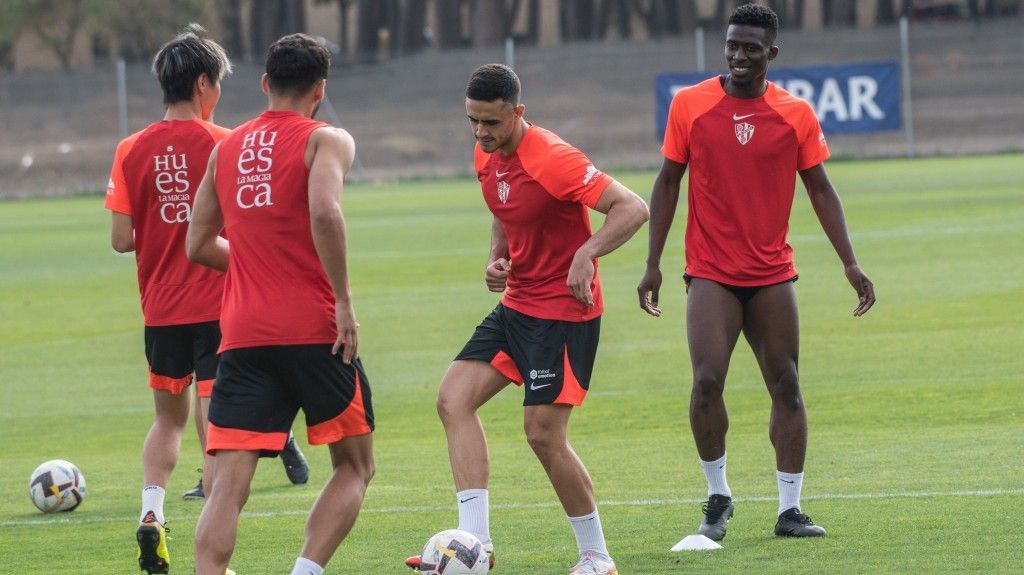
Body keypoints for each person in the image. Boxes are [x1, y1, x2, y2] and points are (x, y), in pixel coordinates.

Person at [637, 4, 876, 542]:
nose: (738, 55)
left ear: (772, 52)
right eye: (731, 45)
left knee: (787, 385)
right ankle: (718, 495)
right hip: (710, 273)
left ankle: (790, 510)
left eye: (750, 47)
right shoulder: (690, 106)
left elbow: (820, 189)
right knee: (705, 382)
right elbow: (668, 182)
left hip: (771, 274)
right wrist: (652, 263)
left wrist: (850, 262)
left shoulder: (794, 114)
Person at [406, 63, 649, 575]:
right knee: (453, 400)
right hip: (518, 303)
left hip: (563, 314)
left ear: (518, 112)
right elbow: (503, 205)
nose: (479, 132)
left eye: (491, 123)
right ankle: (475, 545)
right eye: (472, 120)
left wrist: (587, 252)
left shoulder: (554, 158)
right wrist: (498, 256)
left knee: (542, 434)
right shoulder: (486, 150)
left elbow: (632, 208)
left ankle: (597, 557)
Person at [187, 33, 374, 575]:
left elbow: (197, 245)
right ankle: (305, 570)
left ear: (266, 83)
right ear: (319, 89)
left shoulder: (226, 148)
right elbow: (324, 213)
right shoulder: (327, 139)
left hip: (243, 335)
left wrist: (251, 263)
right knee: (355, 466)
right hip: (317, 329)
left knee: (226, 484)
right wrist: (343, 301)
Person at [103, 23, 241, 575]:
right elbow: (243, 227)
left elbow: (119, 239)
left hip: (159, 309)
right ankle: (211, 549)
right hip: (216, 305)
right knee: (214, 416)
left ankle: (152, 511)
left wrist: (162, 228)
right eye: (220, 85)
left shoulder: (129, 148)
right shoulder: (225, 144)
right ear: (204, 84)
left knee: (168, 418)